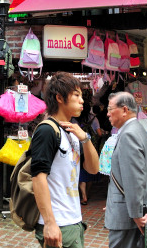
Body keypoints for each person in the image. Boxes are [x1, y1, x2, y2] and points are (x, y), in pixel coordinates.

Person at [30, 72, 99, 248]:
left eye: (81, 96)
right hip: (59, 223)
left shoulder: (73, 133)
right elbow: (38, 178)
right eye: (76, 95)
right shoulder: (46, 131)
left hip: (73, 220)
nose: (82, 100)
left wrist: (85, 139)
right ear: (59, 98)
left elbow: (93, 169)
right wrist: (50, 223)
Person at [104, 91, 147, 248]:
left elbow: (134, 179)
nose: (107, 114)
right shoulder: (137, 129)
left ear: (124, 110)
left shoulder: (129, 135)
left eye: (110, 109)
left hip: (127, 218)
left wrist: (135, 213)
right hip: (130, 211)